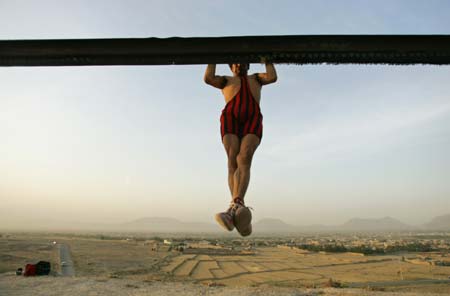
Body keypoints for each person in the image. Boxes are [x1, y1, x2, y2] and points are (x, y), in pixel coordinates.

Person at [204, 62, 277, 236]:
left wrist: (267, 59)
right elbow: (208, 78)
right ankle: (237, 208)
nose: (238, 65)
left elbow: (272, 77)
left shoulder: (256, 78)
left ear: (248, 64)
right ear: (230, 67)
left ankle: (234, 208)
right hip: (231, 117)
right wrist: (212, 59)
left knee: (244, 157)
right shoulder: (225, 80)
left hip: (252, 117)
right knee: (232, 161)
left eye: (242, 62)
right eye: (234, 63)